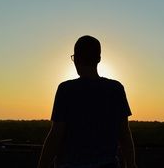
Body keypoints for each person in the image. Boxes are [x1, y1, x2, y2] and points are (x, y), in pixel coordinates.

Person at [38, 35, 137, 168]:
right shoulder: (115, 89)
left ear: (76, 59)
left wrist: (42, 164)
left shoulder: (66, 90)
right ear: (99, 59)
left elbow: (56, 134)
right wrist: (131, 164)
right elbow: (124, 133)